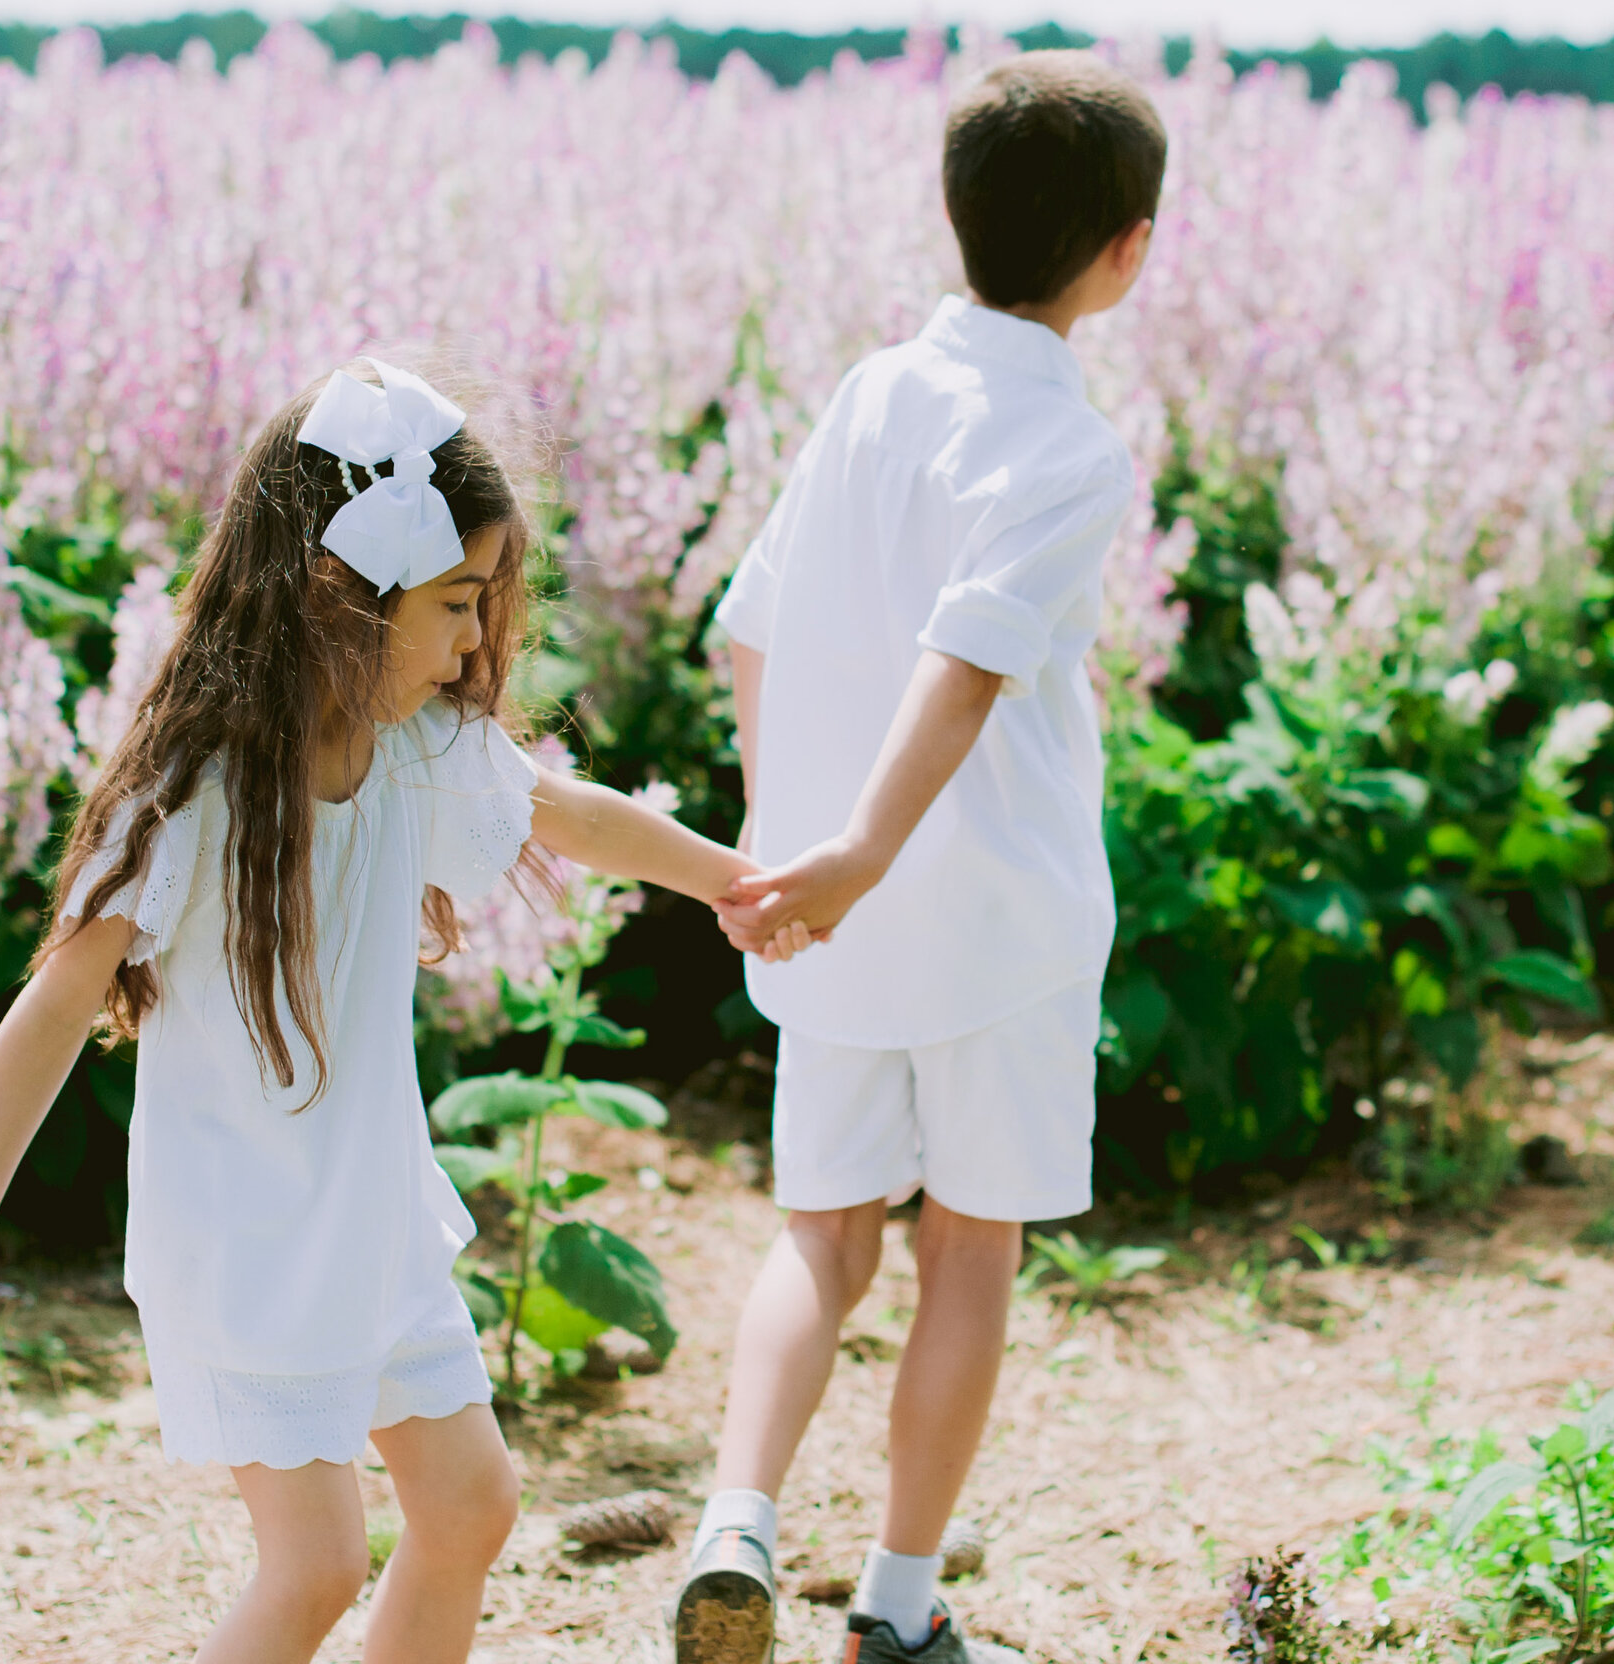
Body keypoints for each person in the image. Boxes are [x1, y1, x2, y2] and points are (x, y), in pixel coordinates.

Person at [0, 358, 805, 1664]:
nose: (479, 644)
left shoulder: (414, 749)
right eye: (458, 604)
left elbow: (573, 812)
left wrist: (739, 885)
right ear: (337, 593)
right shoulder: (193, 793)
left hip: (370, 1219)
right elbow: (55, 1001)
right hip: (247, 1244)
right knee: (312, 1570)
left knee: (472, 1509)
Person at [689, 50, 1167, 1664]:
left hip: (827, 925)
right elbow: (967, 663)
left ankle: (734, 1520)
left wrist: (786, 834)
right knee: (972, 1240)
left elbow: (745, 619)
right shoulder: (1072, 449)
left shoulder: (870, 391)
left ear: (954, 218)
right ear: (1130, 249)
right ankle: (895, 1608)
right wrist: (858, 850)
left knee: (819, 1232)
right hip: (996, 924)